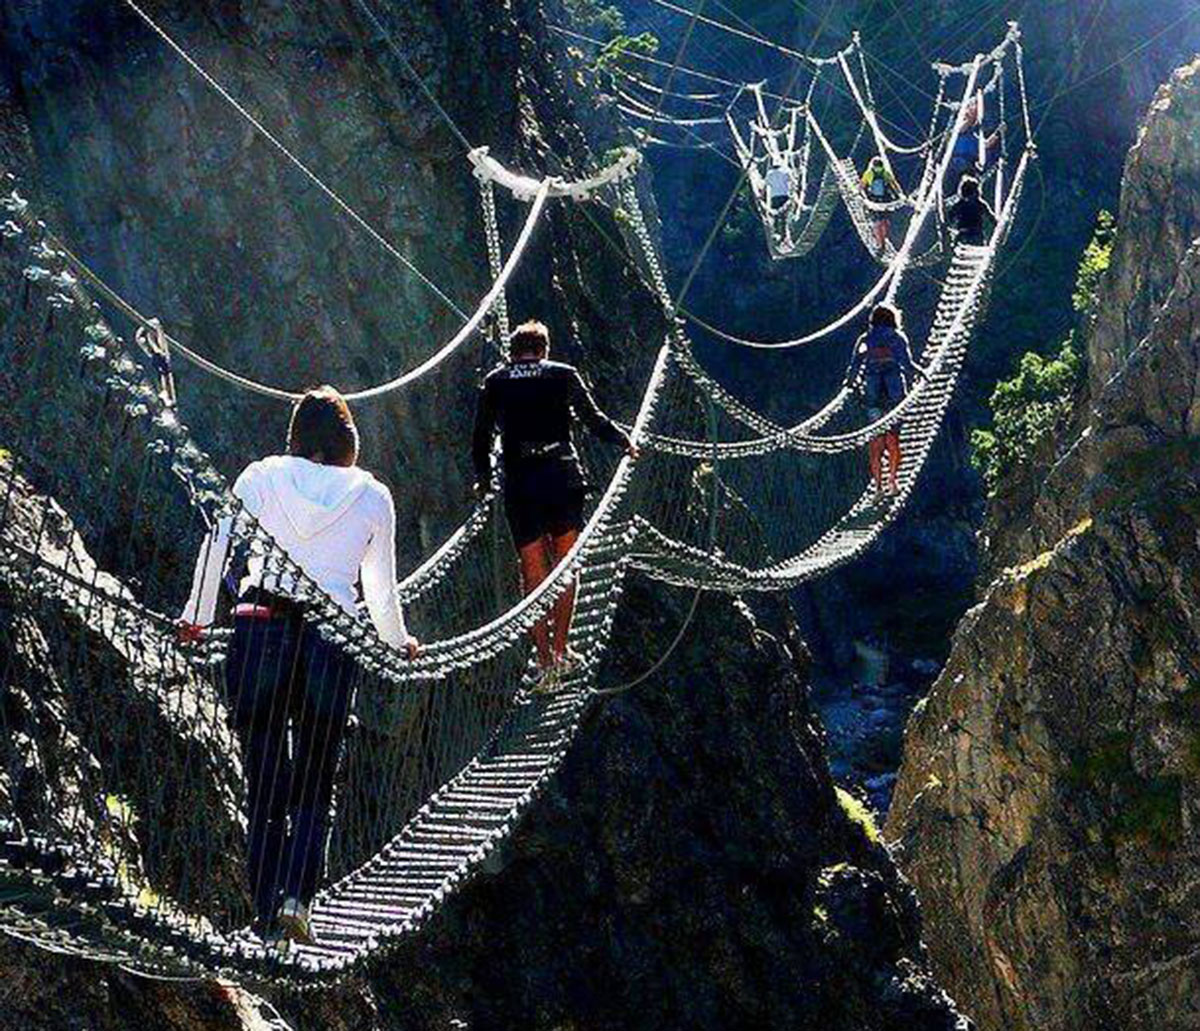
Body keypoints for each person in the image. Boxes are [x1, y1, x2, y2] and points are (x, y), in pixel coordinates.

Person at [179, 386, 420, 945]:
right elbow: (378, 590)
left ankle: (265, 915)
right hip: (330, 642)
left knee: (264, 782)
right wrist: (400, 640)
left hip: (259, 628)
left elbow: (217, 549)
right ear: (346, 442)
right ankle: (297, 898)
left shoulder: (259, 477)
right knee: (315, 779)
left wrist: (195, 615)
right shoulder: (372, 495)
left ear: (296, 436)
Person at [472, 320, 637, 684]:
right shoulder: (563, 374)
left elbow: (481, 437)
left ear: (513, 352)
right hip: (560, 475)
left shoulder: (496, 381)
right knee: (565, 565)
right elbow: (593, 419)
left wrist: (484, 479)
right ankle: (562, 651)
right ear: (544, 350)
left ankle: (544, 660)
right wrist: (623, 440)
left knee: (532, 570)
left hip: (520, 482)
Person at [845, 305, 925, 498]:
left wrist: (850, 383)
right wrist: (922, 373)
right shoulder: (897, 338)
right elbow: (906, 363)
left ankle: (878, 489)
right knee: (893, 439)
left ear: (873, 320)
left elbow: (856, 364)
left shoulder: (865, 339)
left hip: (872, 394)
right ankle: (893, 482)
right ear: (893, 319)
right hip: (894, 394)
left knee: (875, 441)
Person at [860, 156, 900, 255]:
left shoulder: (868, 173)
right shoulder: (886, 173)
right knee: (885, 220)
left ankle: (880, 244)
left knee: (877, 223)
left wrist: (860, 195)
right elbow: (894, 184)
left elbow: (861, 186)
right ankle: (885, 237)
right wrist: (900, 195)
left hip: (874, 201)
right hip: (886, 200)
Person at [947, 175, 996, 246]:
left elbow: (950, 217)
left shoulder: (959, 204)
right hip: (976, 234)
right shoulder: (980, 204)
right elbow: (992, 218)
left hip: (963, 235)